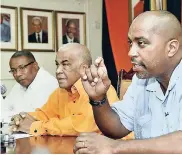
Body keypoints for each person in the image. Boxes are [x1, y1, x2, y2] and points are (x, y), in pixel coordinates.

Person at [74, 11, 182, 153]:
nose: (131, 52)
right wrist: (98, 98)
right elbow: (117, 128)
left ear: (171, 48)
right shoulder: (141, 80)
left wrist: (116, 147)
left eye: (141, 43)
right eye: (131, 43)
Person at [9, 43, 119, 136]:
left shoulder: (97, 89)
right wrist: (21, 119)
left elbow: (82, 126)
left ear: (84, 68)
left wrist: (36, 126)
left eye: (65, 64)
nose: (58, 71)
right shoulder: (61, 92)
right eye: (57, 65)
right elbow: (44, 114)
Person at [2, 51, 58, 122]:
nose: (18, 74)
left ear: (35, 65)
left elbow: (32, 118)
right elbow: (4, 109)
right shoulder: (20, 84)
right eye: (13, 70)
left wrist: (13, 115)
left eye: (22, 68)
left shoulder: (49, 84)